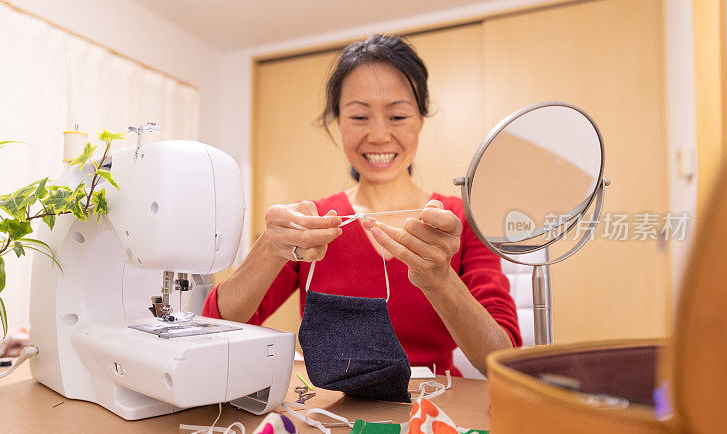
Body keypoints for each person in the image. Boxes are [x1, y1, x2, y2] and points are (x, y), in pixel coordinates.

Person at [203, 34, 520, 376]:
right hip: (331, 412)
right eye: (359, 117)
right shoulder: (314, 226)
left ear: (420, 121)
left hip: (437, 412)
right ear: (338, 121)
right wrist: (269, 248)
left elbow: (503, 360)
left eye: (397, 116)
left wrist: (440, 280)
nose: (380, 135)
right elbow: (215, 329)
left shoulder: (456, 222)